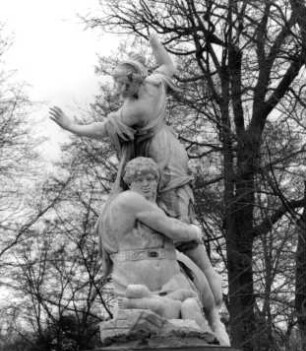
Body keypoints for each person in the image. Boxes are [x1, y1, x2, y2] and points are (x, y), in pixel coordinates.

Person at [49, 32, 223, 308]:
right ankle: (207, 292)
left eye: (120, 82)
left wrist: (71, 126)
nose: (117, 88)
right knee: (179, 223)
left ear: (132, 80)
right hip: (171, 151)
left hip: (159, 164)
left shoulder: (132, 111)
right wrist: (156, 45)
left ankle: (200, 290)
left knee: (171, 224)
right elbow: (168, 66)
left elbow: (102, 129)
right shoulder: (154, 84)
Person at [96, 157, 229, 345]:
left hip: (168, 274)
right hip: (137, 274)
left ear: (157, 181)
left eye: (150, 179)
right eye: (139, 180)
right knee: (160, 310)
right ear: (129, 183)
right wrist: (194, 231)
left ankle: (213, 327)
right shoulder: (129, 200)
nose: (145, 184)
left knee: (191, 305)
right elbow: (170, 228)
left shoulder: (155, 206)